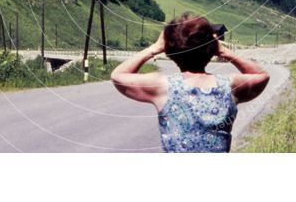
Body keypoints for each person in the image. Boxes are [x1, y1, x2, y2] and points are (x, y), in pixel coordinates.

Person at [111, 12, 270, 152]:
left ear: (169, 51)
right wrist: (223, 51)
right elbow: (262, 75)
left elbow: (118, 75)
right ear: (212, 49)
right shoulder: (230, 85)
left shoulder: (163, 86)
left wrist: (154, 48)